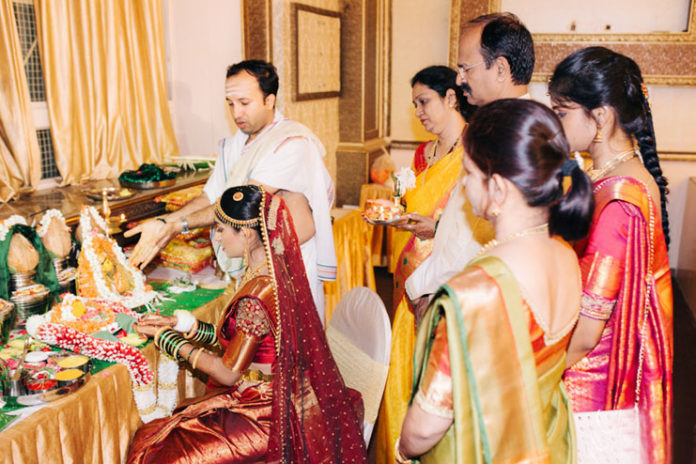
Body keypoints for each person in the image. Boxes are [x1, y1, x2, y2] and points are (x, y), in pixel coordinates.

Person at [397, 99, 593, 463]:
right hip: (547, 441)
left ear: (499, 189)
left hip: (487, 449)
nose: (464, 186)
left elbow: (426, 426)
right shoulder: (566, 255)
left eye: (468, 175)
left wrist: (402, 448)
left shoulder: (478, 289)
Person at [376, 13, 533, 463]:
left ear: (500, 69)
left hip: (469, 303)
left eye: (466, 69)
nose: (460, 80)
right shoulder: (514, 126)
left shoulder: (504, 136)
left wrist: (428, 290)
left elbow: (474, 238)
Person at [126, 185, 367, 463]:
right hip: (267, 396)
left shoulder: (258, 291)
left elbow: (228, 373)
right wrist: (182, 324)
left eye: (220, 229)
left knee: (160, 453)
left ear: (247, 233)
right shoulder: (267, 270)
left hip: (266, 413)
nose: (217, 237)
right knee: (157, 434)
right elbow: (237, 344)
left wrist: (167, 339)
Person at [125, 60, 335, 319]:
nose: (236, 113)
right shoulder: (237, 143)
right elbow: (210, 196)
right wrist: (162, 222)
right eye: (231, 104)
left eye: (244, 103)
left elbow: (238, 205)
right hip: (255, 264)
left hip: (289, 266)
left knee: (291, 346)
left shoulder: (291, 143)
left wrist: (178, 226)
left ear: (269, 101)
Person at [549, 46, 673, 462]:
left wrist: (536, 374)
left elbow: (588, 331)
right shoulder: (609, 177)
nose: (555, 123)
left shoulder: (620, 198)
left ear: (599, 117)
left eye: (561, 111)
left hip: (593, 383)